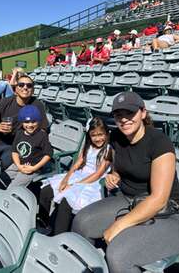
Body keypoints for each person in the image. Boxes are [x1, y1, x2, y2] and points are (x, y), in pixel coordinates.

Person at [72, 91, 179, 273]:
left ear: (143, 113)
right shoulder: (116, 138)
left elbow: (159, 199)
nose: (124, 119)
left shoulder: (159, 142)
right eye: (119, 115)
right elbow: (121, 168)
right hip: (129, 199)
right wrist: (113, 175)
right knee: (81, 222)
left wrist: (118, 225)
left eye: (130, 113)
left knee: (118, 253)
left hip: (167, 212)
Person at [39, 117, 112, 235]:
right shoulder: (88, 146)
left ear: (106, 134)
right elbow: (77, 163)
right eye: (94, 135)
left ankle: (58, 235)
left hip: (92, 182)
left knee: (67, 200)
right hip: (79, 175)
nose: (98, 138)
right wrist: (66, 179)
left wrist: (73, 185)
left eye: (101, 134)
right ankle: (43, 224)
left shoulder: (108, 150)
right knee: (46, 191)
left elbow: (98, 174)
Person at [0, 74, 48, 171]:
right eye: (21, 85)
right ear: (15, 89)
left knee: (6, 169)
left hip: (18, 145)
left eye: (29, 86)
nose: (25, 88)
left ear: (32, 90)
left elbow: (43, 129)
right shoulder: (4, 102)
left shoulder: (37, 105)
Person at [5, 105, 53, 188]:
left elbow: (48, 154)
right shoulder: (19, 133)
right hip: (18, 164)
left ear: (38, 121)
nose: (30, 125)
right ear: (22, 122)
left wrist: (34, 168)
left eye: (33, 122)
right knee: (2, 179)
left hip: (33, 168)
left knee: (12, 188)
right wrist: (19, 165)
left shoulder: (42, 135)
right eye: (26, 122)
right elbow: (15, 152)